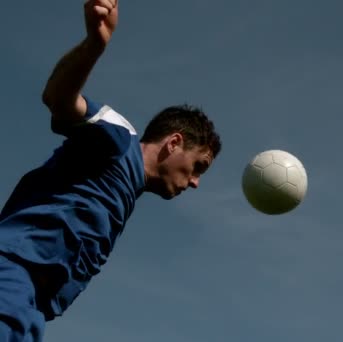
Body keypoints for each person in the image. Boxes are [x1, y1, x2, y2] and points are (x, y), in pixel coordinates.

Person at [0, 0, 222, 340]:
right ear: (174, 143)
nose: (194, 182)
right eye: (198, 166)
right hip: (10, 278)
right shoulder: (119, 138)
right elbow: (58, 98)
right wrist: (94, 44)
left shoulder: (126, 190)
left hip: (27, 306)